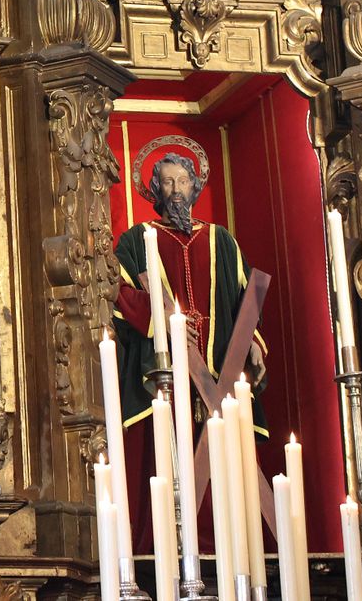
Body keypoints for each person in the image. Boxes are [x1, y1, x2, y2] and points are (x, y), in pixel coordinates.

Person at [113, 143, 265, 548]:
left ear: (195, 186)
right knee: (169, 455)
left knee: (225, 460)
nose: (175, 189)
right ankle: (171, 545)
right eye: (166, 182)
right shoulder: (136, 240)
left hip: (220, 368)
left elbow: (243, 300)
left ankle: (228, 545)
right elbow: (120, 296)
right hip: (167, 372)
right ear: (155, 190)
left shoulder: (222, 240)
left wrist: (253, 343)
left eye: (182, 181)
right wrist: (164, 325)